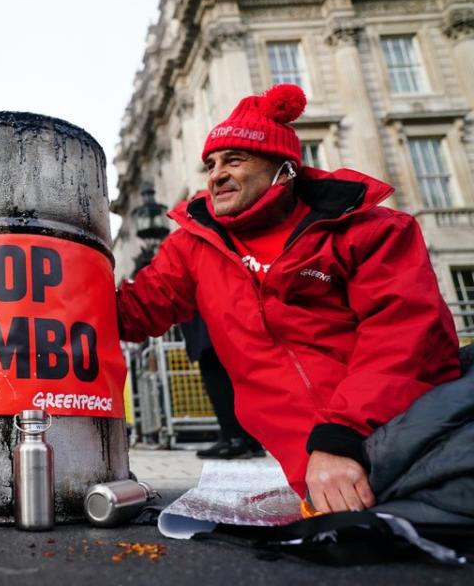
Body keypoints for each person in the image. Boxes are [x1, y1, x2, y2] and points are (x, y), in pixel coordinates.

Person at [118, 84, 460, 515]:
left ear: (285, 168)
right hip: (321, 476)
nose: (216, 174)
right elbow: (129, 312)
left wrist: (341, 439)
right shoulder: (193, 247)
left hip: (407, 435)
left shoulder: (368, 228)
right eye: (211, 163)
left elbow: (405, 334)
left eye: (235, 159)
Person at [179, 315, 263, 459]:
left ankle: (233, 437)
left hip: (206, 311)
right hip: (230, 311)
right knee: (233, 368)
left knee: (211, 361)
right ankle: (250, 437)